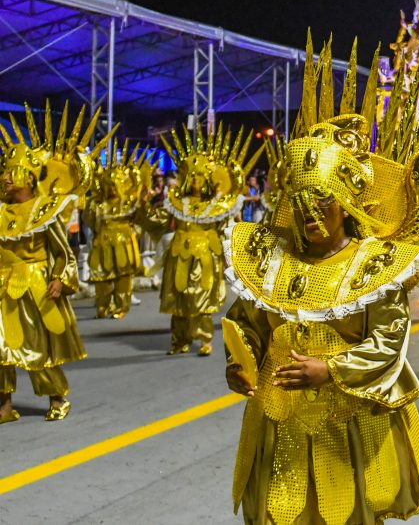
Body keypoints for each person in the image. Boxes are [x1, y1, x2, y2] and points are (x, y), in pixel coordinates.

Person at [224, 38, 419, 523]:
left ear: (347, 201)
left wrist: (332, 371)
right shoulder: (270, 261)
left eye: (322, 202)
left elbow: (388, 342)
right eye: (301, 205)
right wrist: (241, 363)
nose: (311, 216)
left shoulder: (374, 264)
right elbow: (247, 323)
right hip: (280, 420)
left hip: (350, 425)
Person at [0, 103, 106, 423]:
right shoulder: (1, 212)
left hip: (35, 288)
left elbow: (64, 252)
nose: (5, 178)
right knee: (0, 349)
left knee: (37, 349)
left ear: (28, 177)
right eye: (4, 171)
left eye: (10, 172)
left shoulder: (45, 211)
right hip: (3, 287)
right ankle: (4, 406)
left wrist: (59, 277)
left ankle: (57, 396)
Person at [157, 123, 261, 356]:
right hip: (179, 255)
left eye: (200, 177)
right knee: (179, 300)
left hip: (206, 256)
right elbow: (157, 223)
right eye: (191, 176)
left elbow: (228, 229)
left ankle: (205, 339)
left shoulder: (219, 206)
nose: (195, 181)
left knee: (203, 299)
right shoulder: (175, 202)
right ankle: (179, 340)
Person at [85, 146, 154, 318]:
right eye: (109, 184)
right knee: (102, 278)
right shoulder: (98, 205)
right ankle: (103, 306)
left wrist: (134, 230)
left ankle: (121, 307)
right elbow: (90, 220)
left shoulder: (130, 203)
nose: (113, 188)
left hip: (124, 243)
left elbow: (142, 219)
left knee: (123, 279)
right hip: (103, 243)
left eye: (116, 184)